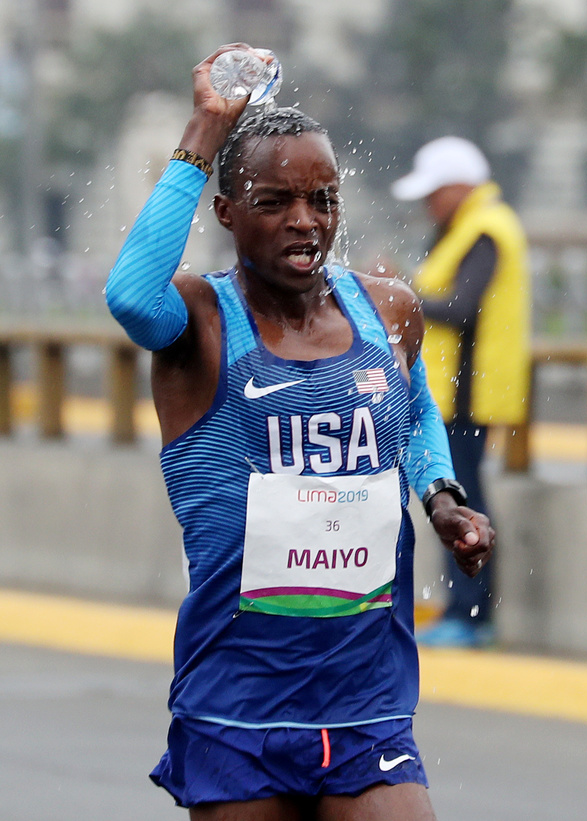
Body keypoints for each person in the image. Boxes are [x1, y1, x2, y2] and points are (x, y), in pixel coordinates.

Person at [105, 44, 493, 819]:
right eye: (275, 201)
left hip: (366, 696)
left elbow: (416, 411)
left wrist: (442, 497)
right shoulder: (201, 322)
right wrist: (207, 128)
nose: (306, 221)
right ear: (226, 212)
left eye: (323, 199)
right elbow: (131, 296)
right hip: (239, 701)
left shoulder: (387, 308)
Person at [391, 135, 531, 648]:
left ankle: (471, 614)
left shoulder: (486, 230)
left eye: (434, 192)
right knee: (455, 495)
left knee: (462, 499)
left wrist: (403, 293)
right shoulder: (462, 229)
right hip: (451, 392)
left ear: (459, 187)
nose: (429, 203)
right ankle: (461, 607)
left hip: (469, 393)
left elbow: (462, 308)